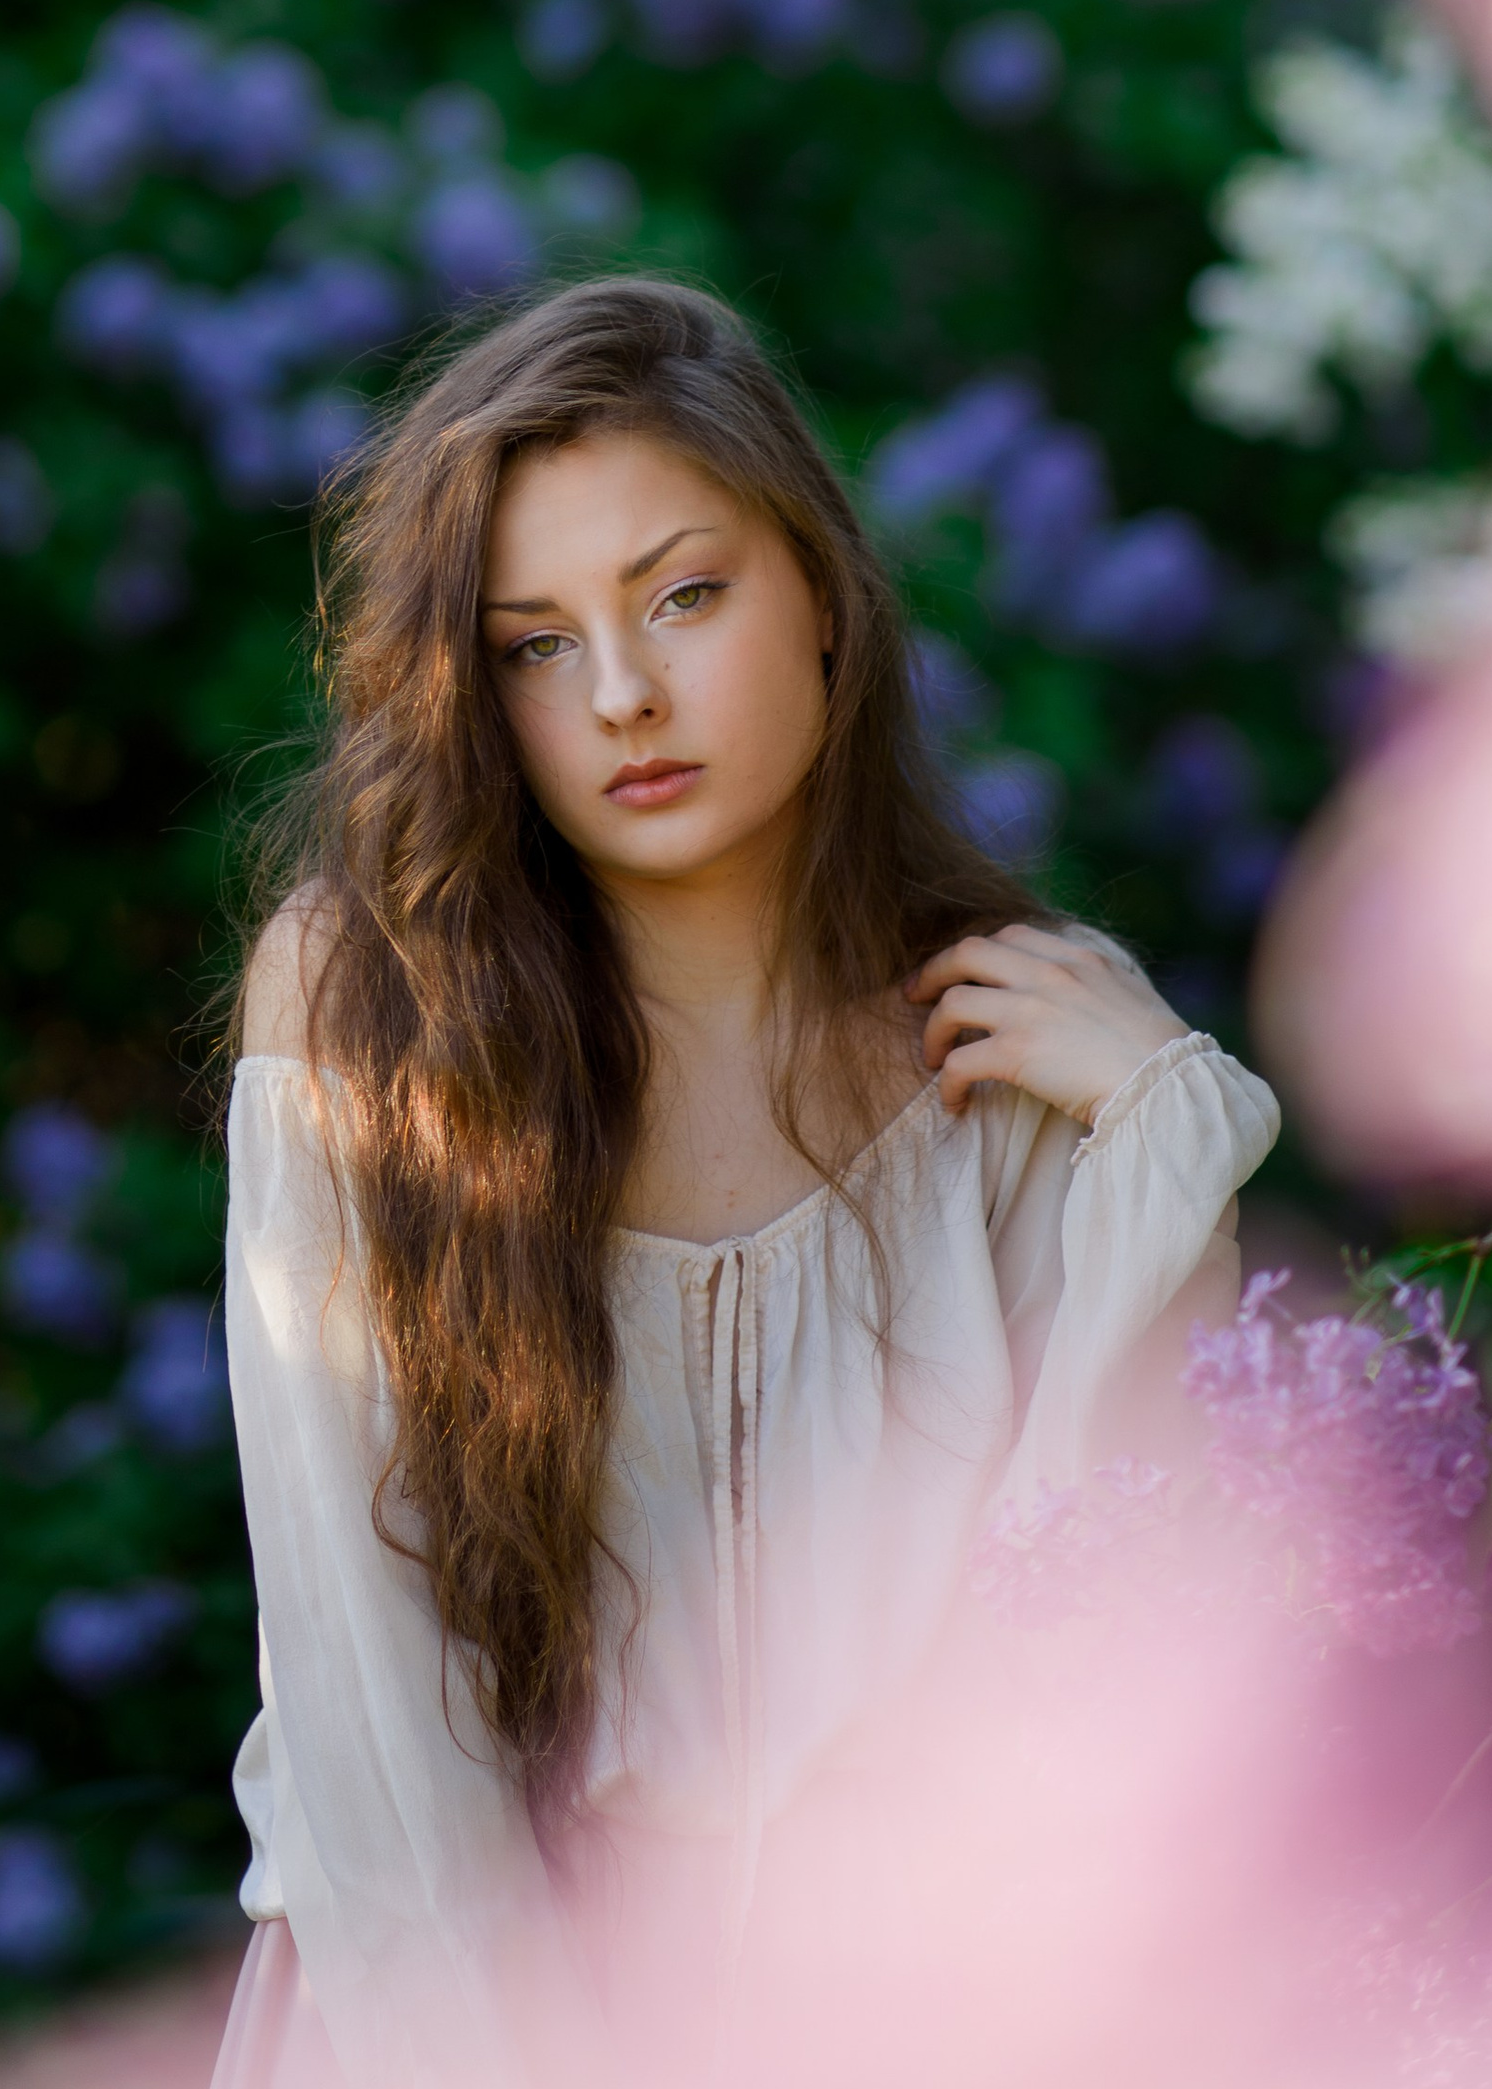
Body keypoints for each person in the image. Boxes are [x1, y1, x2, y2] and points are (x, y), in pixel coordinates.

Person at [210, 277, 1277, 2089]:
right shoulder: (366, 1007)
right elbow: (367, 1708)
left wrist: (1172, 1132)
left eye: (684, 595)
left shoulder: (1003, 1039)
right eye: (535, 643)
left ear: (827, 606)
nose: (623, 694)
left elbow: (1089, 1646)